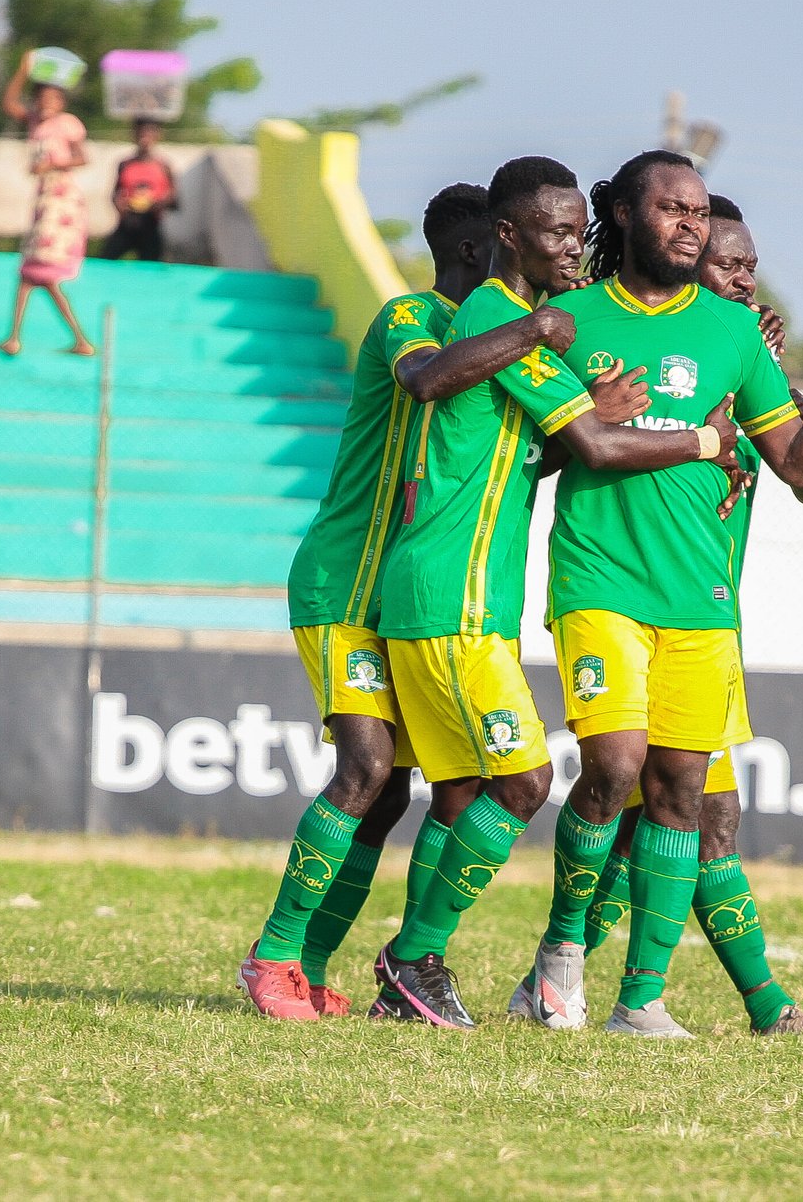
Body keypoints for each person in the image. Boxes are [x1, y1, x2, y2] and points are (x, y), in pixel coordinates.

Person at [519, 151, 803, 1039]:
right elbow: (539, 450)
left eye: (699, 212)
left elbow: (800, 463)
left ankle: (640, 1002)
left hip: (700, 605)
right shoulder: (566, 321)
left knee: (683, 796)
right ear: (620, 215)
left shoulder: (731, 336)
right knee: (614, 767)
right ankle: (562, 949)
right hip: (598, 583)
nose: (690, 225)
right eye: (672, 210)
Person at [238, 183, 646, 1021]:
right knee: (366, 769)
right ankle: (274, 956)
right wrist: (536, 331)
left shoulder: (500, 348)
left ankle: (321, 970)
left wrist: (574, 421)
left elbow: (502, 462)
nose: (559, 255)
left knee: (408, 791)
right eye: (546, 239)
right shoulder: (413, 319)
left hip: (408, 589)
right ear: (482, 250)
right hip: (347, 582)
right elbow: (426, 378)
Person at [368, 157, 742, 1030]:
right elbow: (592, 447)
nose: (579, 250)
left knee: (458, 791)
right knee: (526, 780)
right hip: (449, 593)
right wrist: (702, 441)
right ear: (508, 237)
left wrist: (600, 406)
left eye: (581, 232)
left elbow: (578, 435)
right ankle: (410, 956)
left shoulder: (519, 325)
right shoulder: (508, 319)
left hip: (479, 597)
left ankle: (410, 970)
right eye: (562, 234)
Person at [576, 193, 803, 1042]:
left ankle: (599, 987)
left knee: (695, 817)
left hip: (707, 620)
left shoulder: (739, 358)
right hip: (635, 608)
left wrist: (787, 394)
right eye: (728, 265)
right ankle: (599, 981)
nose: (744, 279)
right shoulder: (646, 356)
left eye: (749, 266)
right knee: (666, 810)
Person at [0, 53, 95, 357]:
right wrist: (23, 70)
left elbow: (82, 157)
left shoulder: (67, 124)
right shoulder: (35, 122)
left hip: (60, 200)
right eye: (41, 97)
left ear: (62, 102)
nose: (46, 103)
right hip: (44, 199)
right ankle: (18, 337)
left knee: (38, 274)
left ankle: (75, 339)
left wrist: (50, 165)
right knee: (30, 274)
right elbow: (9, 104)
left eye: (53, 97)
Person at [99, 120, 177, 262]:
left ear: (157, 136)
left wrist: (160, 203)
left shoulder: (164, 166)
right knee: (106, 261)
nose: (144, 137)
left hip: (151, 224)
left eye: (149, 133)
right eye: (141, 133)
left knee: (151, 268)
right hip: (127, 222)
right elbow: (115, 193)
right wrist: (119, 204)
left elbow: (175, 200)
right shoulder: (125, 164)